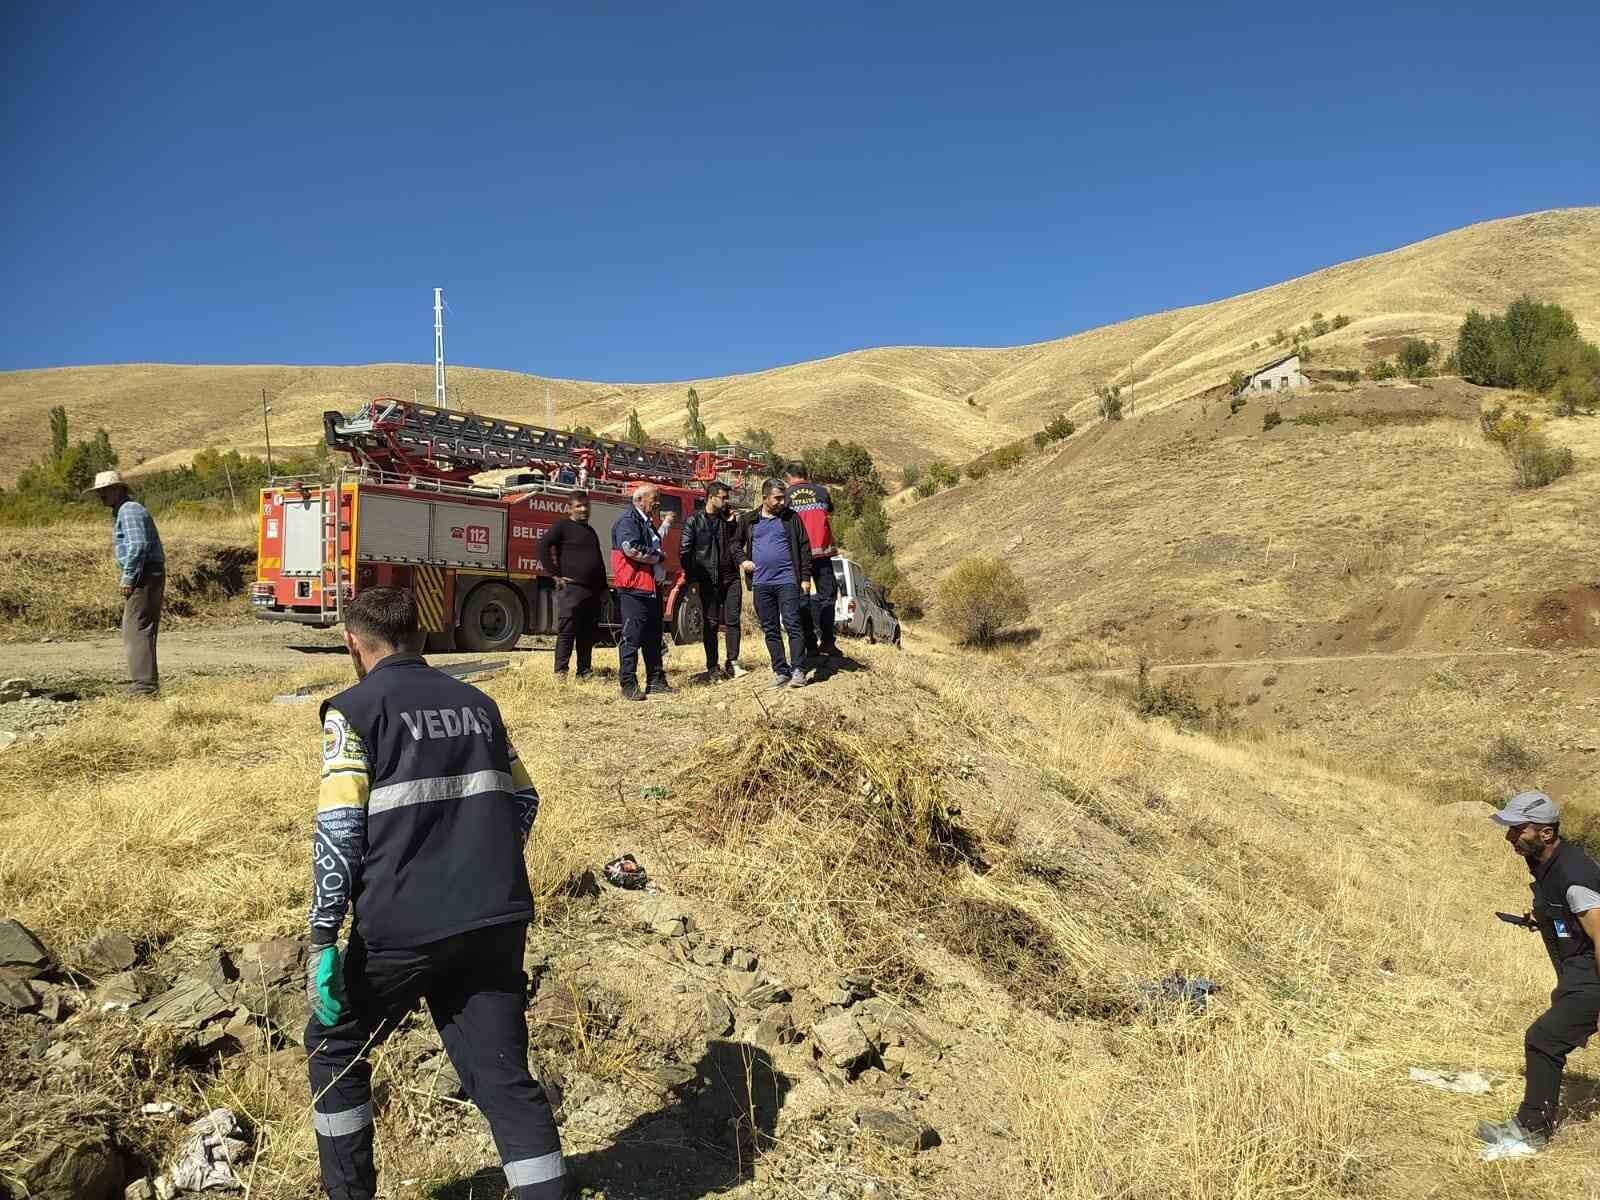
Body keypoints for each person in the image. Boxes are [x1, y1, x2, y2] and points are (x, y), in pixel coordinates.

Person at [303, 587, 564, 1200]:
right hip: (494, 917)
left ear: (352, 643)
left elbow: (339, 830)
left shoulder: (353, 709)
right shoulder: (479, 704)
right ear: (419, 638)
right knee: (503, 1076)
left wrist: (323, 937)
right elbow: (525, 799)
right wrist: (478, 860)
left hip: (403, 925)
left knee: (335, 1046)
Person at [1476, 790, 1600, 1156]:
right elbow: (1566, 913)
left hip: (1590, 977)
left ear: (1545, 833)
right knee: (1548, 1039)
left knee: (1543, 1039)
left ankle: (1532, 1129)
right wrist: (1540, 920)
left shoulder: (1573, 874)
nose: (1510, 838)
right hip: (1576, 973)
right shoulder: (1547, 864)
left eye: (1518, 830)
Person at [87, 470, 166, 698]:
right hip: (151, 572)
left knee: (135, 629)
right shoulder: (128, 509)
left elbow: (137, 545)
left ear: (118, 489)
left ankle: (144, 688)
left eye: (104, 491)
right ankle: (147, 685)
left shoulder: (128, 510)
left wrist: (128, 577)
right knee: (143, 628)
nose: (101, 495)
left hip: (144, 574)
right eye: (99, 492)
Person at [739, 479, 813, 689]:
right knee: (770, 628)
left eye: (784, 497)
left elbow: (804, 547)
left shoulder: (791, 518)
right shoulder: (749, 520)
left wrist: (806, 578)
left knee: (792, 623)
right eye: (777, 498)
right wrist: (742, 560)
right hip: (761, 583)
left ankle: (798, 670)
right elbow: (735, 543)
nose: (783, 502)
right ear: (764, 498)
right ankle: (780, 671)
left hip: (787, 580)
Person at [610, 482, 676, 701]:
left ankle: (656, 681)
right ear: (639, 500)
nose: (658, 502)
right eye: (654, 498)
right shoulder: (628, 521)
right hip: (634, 587)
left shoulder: (646, 522)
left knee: (653, 636)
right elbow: (631, 548)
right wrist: (659, 557)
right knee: (632, 636)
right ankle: (628, 683)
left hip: (650, 588)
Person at [677, 482, 747, 679]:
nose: (726, 502)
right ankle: (712, 667)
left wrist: (733, 525)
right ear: (711, 497)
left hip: (731, 576)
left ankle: (733, 662)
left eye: (727, 498)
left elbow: (737, 544)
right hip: (708, 579)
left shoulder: (728, 519)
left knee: (733, 621)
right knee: (711, 623)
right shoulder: (694, 520)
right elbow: (684, 551)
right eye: (723, 498)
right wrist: (693, 578)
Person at [537, 491, 607, 680]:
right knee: (567, 631)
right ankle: (561, 672)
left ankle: (584, 671)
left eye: (586, 506)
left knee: (587, 634)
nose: (584, 509)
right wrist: (555, 574)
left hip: (592, 590)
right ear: (570, 508)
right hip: (573, 589)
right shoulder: (562, 526)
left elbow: (598, 560)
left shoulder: (590, 531)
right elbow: (543, 546)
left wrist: (604, 588)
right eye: (579, 506)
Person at [783, 462, 840, 662]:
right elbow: (829, 512)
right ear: (806, 474)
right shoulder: (822, 492)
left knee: (801, 599)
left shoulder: (786, 496)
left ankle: (809, 644)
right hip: (821, 553)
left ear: (790, 476)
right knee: (828, 597)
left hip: (797, 556)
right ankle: (828, 641)